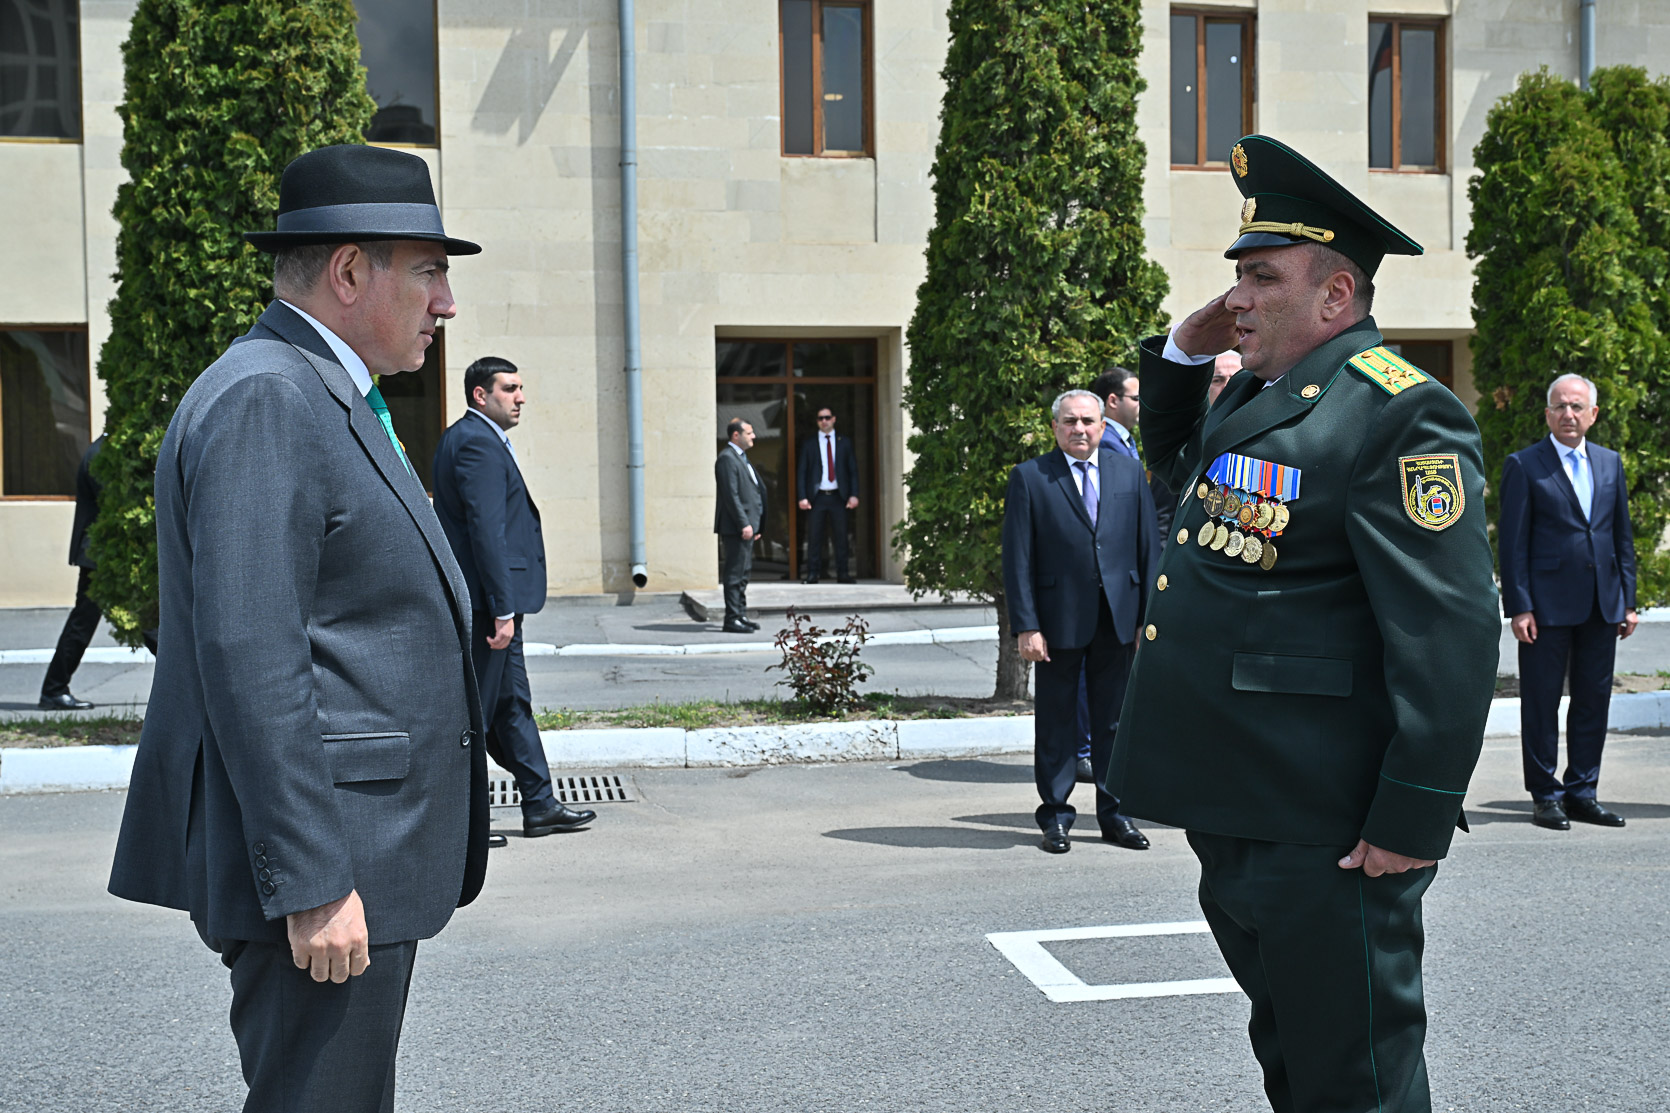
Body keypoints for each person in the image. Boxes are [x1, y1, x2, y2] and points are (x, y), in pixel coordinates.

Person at [1107, 134, 1499, 1112]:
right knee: (1294, 1062)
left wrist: (1410, 818)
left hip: (1330, 824)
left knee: (1356, 1079)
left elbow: (1450, 637)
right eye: (1236, 273)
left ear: (1336, 294)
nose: (1237, 296)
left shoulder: (1399, 415)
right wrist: (1184, 349)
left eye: (1261, 276)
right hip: (1246, 807)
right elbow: (1177, 467)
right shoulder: (1261, 394)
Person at [107, 145, 490, 1113]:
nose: (446, 303)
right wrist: (314, 880)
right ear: (350, 271)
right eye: (429, 271)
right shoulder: (271, 397)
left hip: (360, 853)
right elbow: (251, 652)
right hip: (328, 869)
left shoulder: (317, 390)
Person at [432, 356, 596, 840]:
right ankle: (460, 827)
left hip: (494, 605)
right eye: (510, 388)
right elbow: (487, 532)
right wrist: (502, 610)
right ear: (481, 395)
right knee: (476, 715)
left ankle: (540, 805)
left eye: (521, 388)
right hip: (489, 607)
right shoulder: (476, 443)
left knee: (510, 705)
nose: (520, 397)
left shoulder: (475, 438)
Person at [1001, 389, 1157, 854]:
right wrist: (1027, 625)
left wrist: (1146, 620)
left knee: (1115, 722)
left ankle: (1116, 815)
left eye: (1088, 421)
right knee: (1056, 722)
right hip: (1056, 621)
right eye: (1070, 421)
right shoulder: (1031, 477)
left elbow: (1148, 548)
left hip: (1118, 616)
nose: (1079, 429)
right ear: (1055, 427)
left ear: (1103, 426)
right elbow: (1018, 558)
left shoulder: (1129, 472)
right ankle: (1055, 815)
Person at [1498, 373, 1637, 831]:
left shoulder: (1610, 463)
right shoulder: (1525, 465)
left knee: (1593, 702)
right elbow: (1512, 544)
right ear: (1547, 414)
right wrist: (1519, 605)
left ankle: (1582, 792)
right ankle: (1545, 795)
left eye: (1577, 406)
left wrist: (1628, 601)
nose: (1568, 414)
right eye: (1560, 406)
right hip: (1545, 608)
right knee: (1541, 703)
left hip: (1602, 604)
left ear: (1593, 414)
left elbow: (1621, 537)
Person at [38, 435, 105, 711]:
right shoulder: (102, 456)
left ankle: (54, 689)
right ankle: (53, 690)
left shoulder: (102, 451)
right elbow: (113, 503)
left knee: (150, 624)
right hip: (99, 556)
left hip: (103, 555)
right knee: (82, 624)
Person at [796, 406, 859, 584]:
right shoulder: (809, 444)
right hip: (817, 497)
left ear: (834, 419)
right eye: (820, 418)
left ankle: (843, 573)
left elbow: (852, 471)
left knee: (841, 537)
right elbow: (802, 472)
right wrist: (802, 496)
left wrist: (854, 494)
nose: (824, 421)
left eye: (827, 417)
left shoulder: (844, 442)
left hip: (839, 496)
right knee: (815, 537)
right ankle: (812, 574)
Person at [715, 418, 765, 633]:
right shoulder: (727, 459)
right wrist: (744, 523)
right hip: (736, 527)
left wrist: (756, 524)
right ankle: (732, 618)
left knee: (743, 574)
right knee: (734, 574)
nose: (754, 436)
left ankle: (740, 615)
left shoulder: (741, 458)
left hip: (748, 527)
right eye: (749, 433)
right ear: (736, 435)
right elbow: (731, 495)